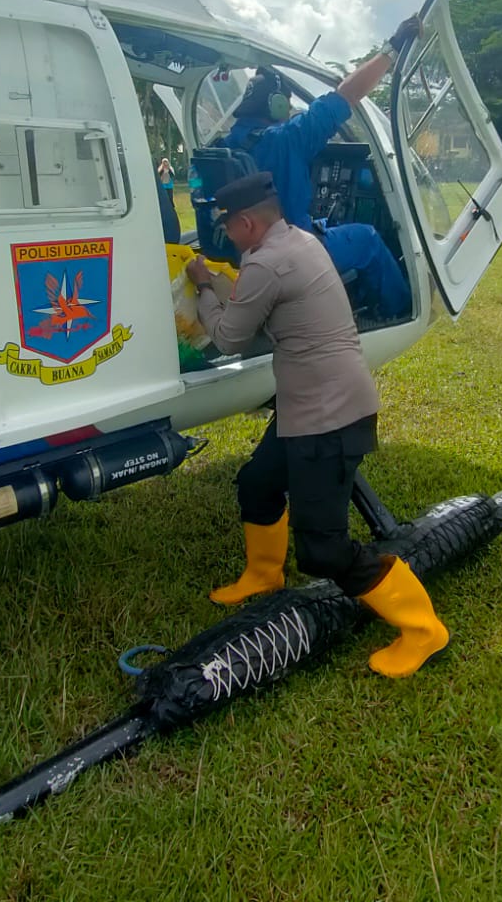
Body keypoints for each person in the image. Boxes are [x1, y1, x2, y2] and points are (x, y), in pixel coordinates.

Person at [186, 171, 449, 677]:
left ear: (246, 223)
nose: (226, 235)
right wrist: (224, 285)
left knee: (325, 549)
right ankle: (264, 575)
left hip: (328, 418)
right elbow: (262, 302)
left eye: (227, 226)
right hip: (310, 404)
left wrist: (202, 286)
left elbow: (229, 337)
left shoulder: (265, 262)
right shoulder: (299, 240)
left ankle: (423, 630)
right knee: (259, 483)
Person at [218, 17, 421, 319]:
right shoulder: (287, 138)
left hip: (241, 252)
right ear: (276, 105)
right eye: (286, 104)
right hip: (293, 254)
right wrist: (392, 49)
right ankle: (400, 313)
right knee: (366, 239)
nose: (288, 110)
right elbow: (347, 95)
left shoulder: (223, 146)